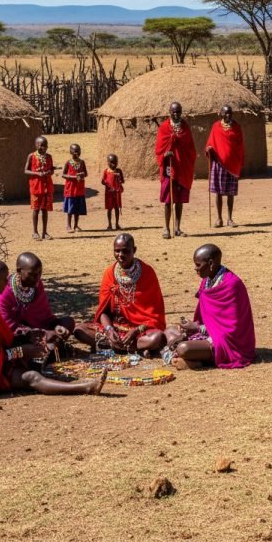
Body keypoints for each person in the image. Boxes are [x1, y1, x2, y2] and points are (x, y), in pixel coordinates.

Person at [0, 258, 106, 397]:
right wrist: (22, 350)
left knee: (31, 363)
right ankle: (86, 388)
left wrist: (27, 338)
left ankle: (81, 384)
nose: (6, 282)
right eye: (3, 279)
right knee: (31, 377)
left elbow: (0, 332)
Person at [165, 244, 256, 370]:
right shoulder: (207, 280)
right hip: (208, 333)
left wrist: (197, 327)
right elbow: (204, 317)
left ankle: (196, 360)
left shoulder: (232, 285)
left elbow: (232, 329)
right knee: (169, 331)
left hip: (228, 343)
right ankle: (194, 358)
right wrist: (190, 329)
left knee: (183, 348)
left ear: (211, 263)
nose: (195, 269)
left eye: (198, 265)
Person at [74, 233, 167, 355]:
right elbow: (103, 312)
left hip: (140, 332)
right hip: (115, 329)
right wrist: (109, 330)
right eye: (117, 251)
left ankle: (115, 346)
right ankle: (129, 347)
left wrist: (136, 331)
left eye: (125, 251)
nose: (120, 255)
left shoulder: (148, 273)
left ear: (134, 250)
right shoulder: (109, 273)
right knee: (79, 330)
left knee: (157, 337)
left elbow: (155, 315)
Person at [0, 252, 75, 343]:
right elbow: (8, 325)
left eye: (39, 272)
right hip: (19, 335)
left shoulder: (36, 285)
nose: (37, 277)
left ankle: (49, 347)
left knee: (68, 322)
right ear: (19, 271)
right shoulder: (4, 292)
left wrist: (56, 326)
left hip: (39, 329)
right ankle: (50, 348)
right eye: (32, 274)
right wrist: (39, 333)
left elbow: (45, 316)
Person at [155, 101, 197, 239]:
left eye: (178, 111)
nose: (176, 114)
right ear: (169, 112)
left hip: (182, 167)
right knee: (169, 200)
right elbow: (159, 149)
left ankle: (177, 228)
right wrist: (165, 154)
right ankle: (166, 228)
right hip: (170, 168)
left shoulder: (185, 128)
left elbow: (190, 148)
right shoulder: (164, 128)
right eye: (173, 111)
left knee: (179, 200)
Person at [205, 105, 244, 228]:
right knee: (218, 192)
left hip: (232, 164)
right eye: (226, 113)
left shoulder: (236, 127)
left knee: (231, 193)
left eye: (230, 113)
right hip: (219, 164)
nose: (228, 115)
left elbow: (240, 146)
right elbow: (211, 142)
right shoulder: (216, 127)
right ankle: (219, 219)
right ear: (221, 114)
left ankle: (230, 219)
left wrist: (239, 161)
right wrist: (209, 149)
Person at [24, 136, 55, 240]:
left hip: (47, 185)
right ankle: (35, 232)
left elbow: (52, 170)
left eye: (45, 146)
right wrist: (37, 173)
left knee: (45, 209)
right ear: (36, 145)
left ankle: (45, 232)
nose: (43, 147)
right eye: (41, 145)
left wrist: (48, 172)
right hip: (36, 186)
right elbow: (26, 171)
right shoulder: (31, 156)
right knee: (36, 209)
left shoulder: (49, 157)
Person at [62, 143, 87, 232]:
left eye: (78, 151)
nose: (77, 153)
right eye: (75, 151)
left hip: (79, 189)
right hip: (71, 189)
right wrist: (73, 177)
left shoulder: (82, 162)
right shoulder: (68, 163)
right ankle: (68, 226)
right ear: (70, 152)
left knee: (77, 209)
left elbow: (86, 173)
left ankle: (76, 225)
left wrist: (82, 174)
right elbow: (63, 175)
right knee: (70, 208)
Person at [101, 153, 125, 230]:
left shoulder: (119, 171)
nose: (113, 164)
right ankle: (109, 224)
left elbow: (122, 181)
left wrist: (119, 177)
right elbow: (102, 181)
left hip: (117, 192)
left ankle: (117, 224)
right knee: (109, 209)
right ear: (108, 162)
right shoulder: (106, 171)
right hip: (109, 193)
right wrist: (106, 184)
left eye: (115, 162)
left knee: (117, 208)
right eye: (111, 162)